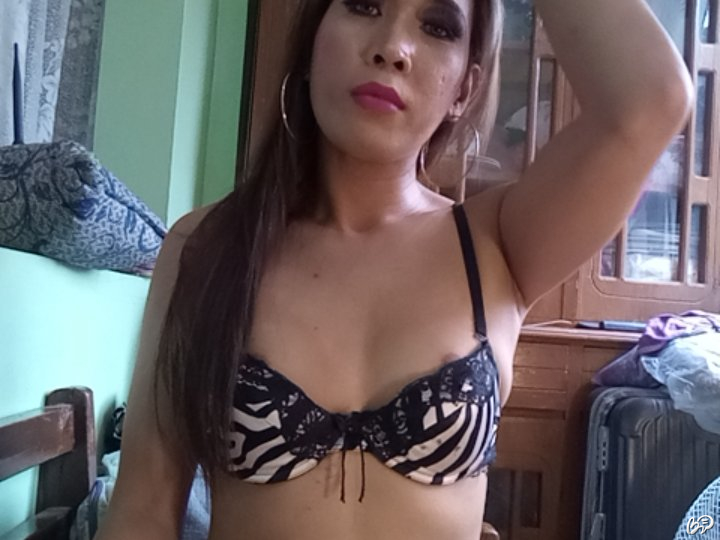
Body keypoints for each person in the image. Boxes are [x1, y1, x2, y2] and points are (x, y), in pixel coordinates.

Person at [95, 0, 692, 538]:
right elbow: (142, 513)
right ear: (312, 44)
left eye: (437, 26)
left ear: (464, 88)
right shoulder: (206, 248)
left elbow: (650, 100)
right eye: (363, 6)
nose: (393, 48)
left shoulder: (498, 245)